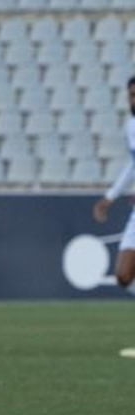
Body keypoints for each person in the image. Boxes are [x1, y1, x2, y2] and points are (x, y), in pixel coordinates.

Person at [90, 75, 135, 292]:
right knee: (123, 276)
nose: (133, 100)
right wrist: (110, 197)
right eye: (131, 95)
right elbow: (133, 165)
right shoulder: (131, 127)